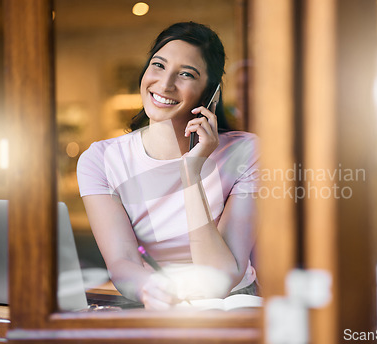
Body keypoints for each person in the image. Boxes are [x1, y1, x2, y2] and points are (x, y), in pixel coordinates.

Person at [77, 22, 259, 310]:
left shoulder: (246, 152)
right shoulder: (100, 160)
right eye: (158, 65)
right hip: (157, 299)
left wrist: (191, 173)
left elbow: (222, 279)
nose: (165, 84)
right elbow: (122, 261)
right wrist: (152, 289)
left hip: (234, 302)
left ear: (209, 94)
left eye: (186, 74)